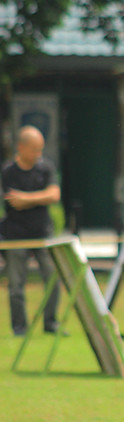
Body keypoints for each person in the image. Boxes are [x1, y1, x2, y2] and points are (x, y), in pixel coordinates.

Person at [1, 125, 61, 336]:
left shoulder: (46, 168)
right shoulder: (8, 171)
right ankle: (19, 328)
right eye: (34, 149)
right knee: (16, 285)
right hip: (15, 235)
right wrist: (39, 197)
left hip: (43, 234)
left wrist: (27, 198)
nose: (38, 154)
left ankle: (51, 324)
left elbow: (54, 195)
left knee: (53, 278)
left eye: (40, 149)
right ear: (21, 147)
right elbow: (12, 201)